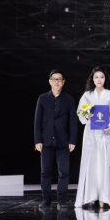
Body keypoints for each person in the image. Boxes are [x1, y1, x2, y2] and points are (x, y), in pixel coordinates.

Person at [74, 67, 110, 209]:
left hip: (105, 134)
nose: (99, 80)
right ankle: (90, 197)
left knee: (104, 163)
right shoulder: (87, 95)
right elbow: (80, 112)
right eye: (96, 77)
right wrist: (86, 115)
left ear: (105, 79)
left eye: (101, 77)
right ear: (92, 79)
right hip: (91, 134)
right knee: (91, 164)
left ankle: (105, 197)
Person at [34, 69, 78, 210]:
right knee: (45, 172)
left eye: (59, 79)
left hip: (63, 141)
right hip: (46, 141)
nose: (57, 82)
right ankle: (46, 199)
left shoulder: (69, 99)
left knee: (63, 172)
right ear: (50, 81)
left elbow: (73, 122)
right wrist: (37, 140)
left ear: (63, 82)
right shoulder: (42, 98)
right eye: (54, 79)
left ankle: (62, 200)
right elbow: (37, 121)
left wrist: (73, 140)